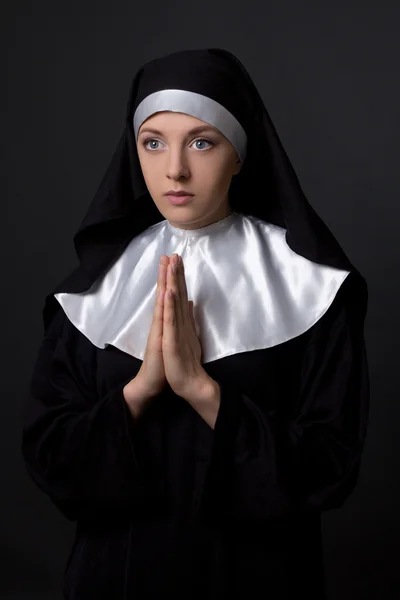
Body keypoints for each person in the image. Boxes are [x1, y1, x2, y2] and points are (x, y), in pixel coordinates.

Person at [21, 48, 370, 600]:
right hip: (116, 577)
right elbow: (51, 456)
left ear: (239, 154)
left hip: (259, 579)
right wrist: (140, 391)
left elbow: (331, 467)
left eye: (202, 142)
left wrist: (202, 392)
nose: (174, 169)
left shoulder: (312, 287)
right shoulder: (95, 289)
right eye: (153, 142)